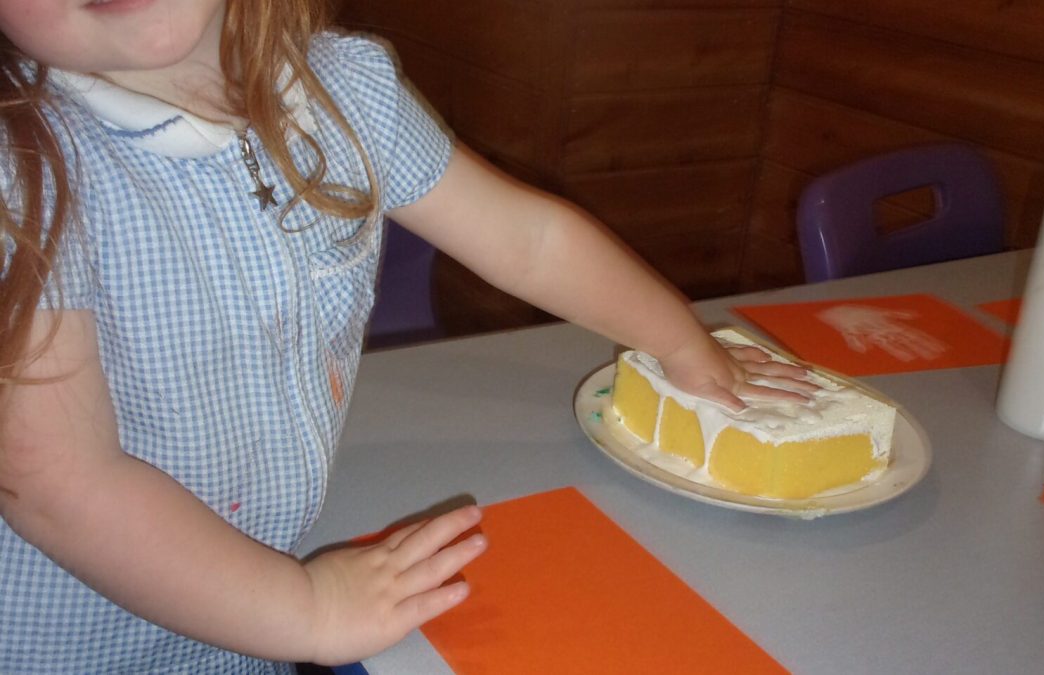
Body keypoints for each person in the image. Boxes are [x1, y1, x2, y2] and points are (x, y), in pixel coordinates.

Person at [0, 0, 811, 672]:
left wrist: (683, 343)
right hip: (76, 647)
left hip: (250, 627)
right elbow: (62, 487)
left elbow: (529, 243)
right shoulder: (18, 171)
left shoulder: (348, 90)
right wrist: (309, 609)